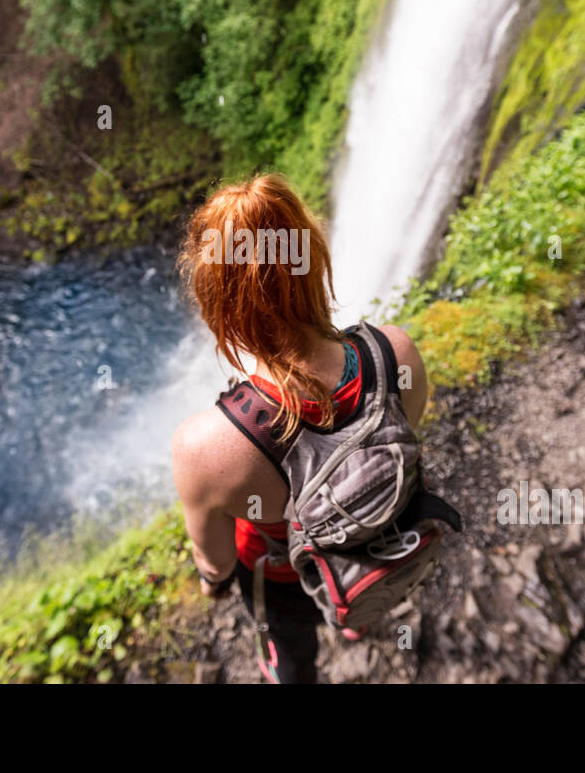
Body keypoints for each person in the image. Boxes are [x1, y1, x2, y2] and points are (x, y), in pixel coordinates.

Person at [171, 174, 429, 684]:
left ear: (219, 304)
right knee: (356, 593)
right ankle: (357, 609)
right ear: (314, 261)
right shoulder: (395, 353)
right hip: (380, 537)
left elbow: (215, 561)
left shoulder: (203, 447)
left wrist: (213, 585)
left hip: (283, 576)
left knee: (290, 656)